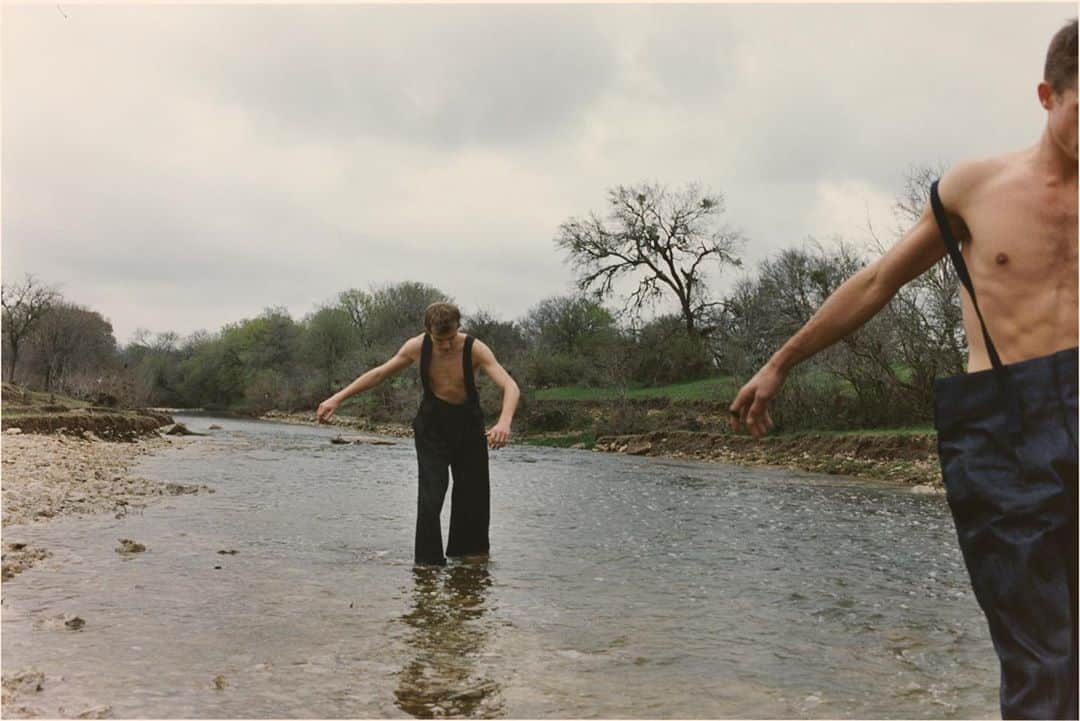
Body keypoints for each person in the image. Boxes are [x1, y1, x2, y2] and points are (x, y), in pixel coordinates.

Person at [729, 19, 1077, 720]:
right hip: (1003, 434)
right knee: (1043, 658)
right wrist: (780, 361)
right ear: (1047, 95)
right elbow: (878, 280)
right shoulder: (977, 188)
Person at [317, 302, 520, 566]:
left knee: (473, 496)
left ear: (459, 327)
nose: (446, 345)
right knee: (430, 495)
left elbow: (510, 385)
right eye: (439, 340)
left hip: (468, 426)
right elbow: (379, 374)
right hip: (431, 428)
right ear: (427, 331)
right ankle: (427, 565)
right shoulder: (416, 347)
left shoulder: (474, 348)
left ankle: (470, 560)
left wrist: (504, 422)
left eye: (451, 338)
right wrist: (337, 398)